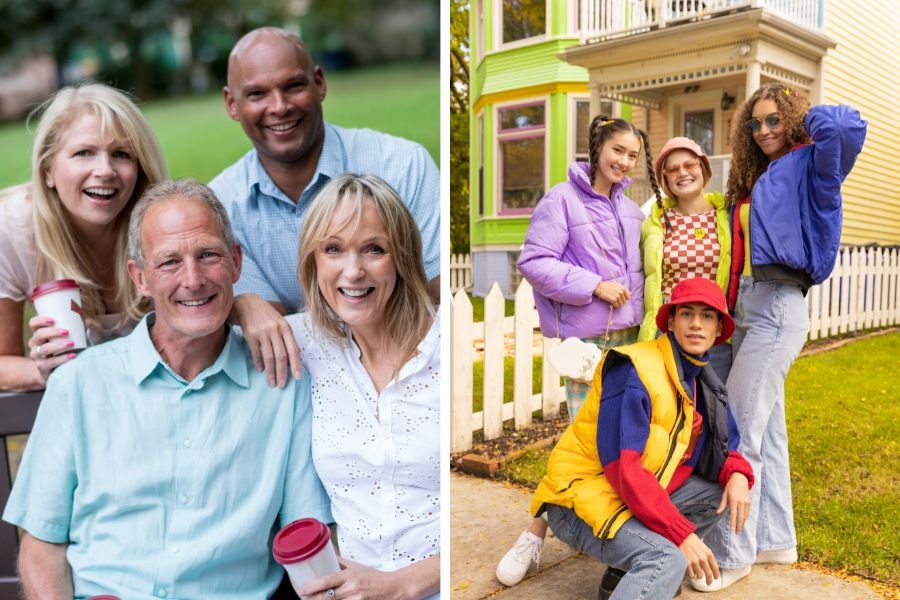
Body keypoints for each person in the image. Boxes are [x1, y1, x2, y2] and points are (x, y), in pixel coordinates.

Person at [2, 179, 331, 599]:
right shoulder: (79, 383)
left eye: (208, 255)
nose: (192, 279)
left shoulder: (282, 384)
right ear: (140, 277)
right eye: (169, 262)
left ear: (235, 261)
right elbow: (42, 545)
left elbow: (307, 534)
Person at [692, 84, 867, 591]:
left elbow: (846, 125)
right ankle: (774, 540)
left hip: (779, 303)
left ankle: (734, 554)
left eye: (774, 120)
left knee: (740, 428)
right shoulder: (757, 178)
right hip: (747, 304)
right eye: (756, 124)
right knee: (767, 432)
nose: (764, 131)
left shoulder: (814, 163)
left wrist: (802, 117)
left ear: (789, 120)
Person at [209, 27, 440, 388]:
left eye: (293, 86)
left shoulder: (402, 164)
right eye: (257, 94)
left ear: (319, 83)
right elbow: (276, 337)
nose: (279, 106)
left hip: (410, 374)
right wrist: (244, 302)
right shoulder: (222, 206)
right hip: (302, 387)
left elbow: (435, 296)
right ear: (231, 104)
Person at [496, 115, 660, 587]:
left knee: (627, 446)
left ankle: (617, 539)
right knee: (583, 448)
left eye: (632, 155)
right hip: (588, 345)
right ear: (597, 148)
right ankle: (532, 537)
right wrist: (594, 286)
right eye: (618, 151)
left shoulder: (631, 211)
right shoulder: (561, 200)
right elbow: (534, 261)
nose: (625, 161)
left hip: (630, 345)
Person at [530, 277, 754, 599]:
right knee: (666, 558)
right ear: (671, 323)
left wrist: (737, 475)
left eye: (706, 316)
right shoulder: (635, 369)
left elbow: (723, 450)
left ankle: (622, 581)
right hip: (576, 500)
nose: (695, 324)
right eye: (686, 314)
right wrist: (679, 534)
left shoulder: (704, 383)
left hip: (623, 496)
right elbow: (624, 468)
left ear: (718, 329)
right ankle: (651, 573)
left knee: (721, 492)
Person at [284, 174, 439, 600]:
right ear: (313, 261)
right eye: (333, 249)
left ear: (401, 258)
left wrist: (401, 585)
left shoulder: (447, 345)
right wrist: (248, 305)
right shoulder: (308, 342)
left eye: (374, 249)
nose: (353, 271)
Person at [0, 82, 167, 392]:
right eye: (83, 153)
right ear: (47, 170)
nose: (104, 170)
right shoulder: (13, 228)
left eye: (121, 154)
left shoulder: (162, 223)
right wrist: (43, 369)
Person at [640, 136, 732, 382]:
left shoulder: (726, 217)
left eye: (689, 165)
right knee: (670, 409)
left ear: (702, 167)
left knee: (714, 407)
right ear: (666, 179)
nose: (682, 173)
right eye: (673, 169)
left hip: (714, 330)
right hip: (670, 331)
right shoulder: (656, 223)